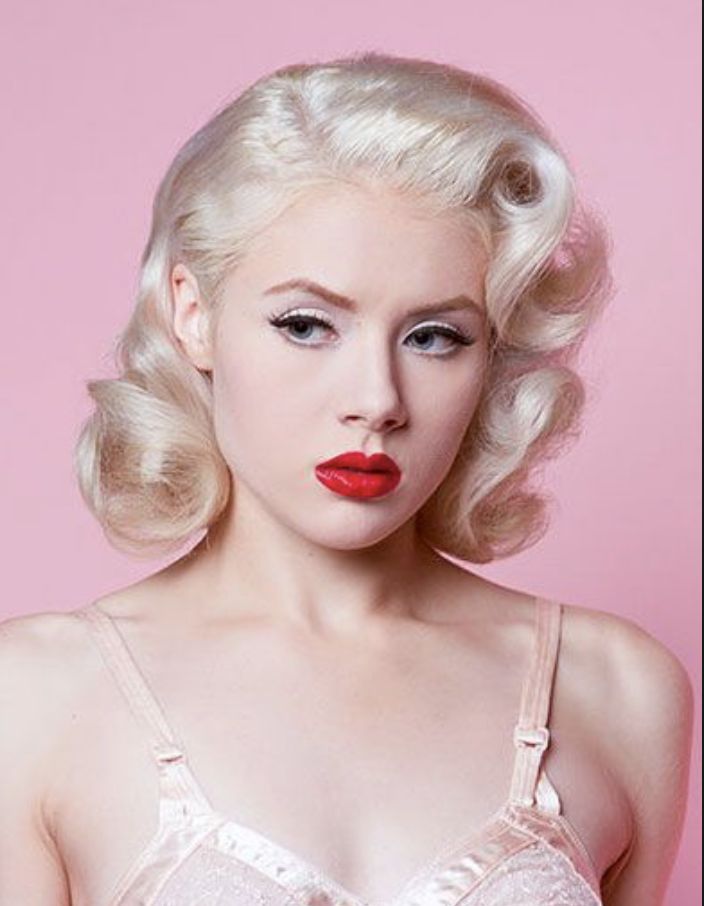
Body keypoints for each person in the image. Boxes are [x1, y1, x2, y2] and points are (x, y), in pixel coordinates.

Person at [0, 52, 694, 906]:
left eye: (434, 337)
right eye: (306, 325)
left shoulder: (617, 691)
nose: (377, 401)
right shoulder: (32, 696)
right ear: (194, 313)